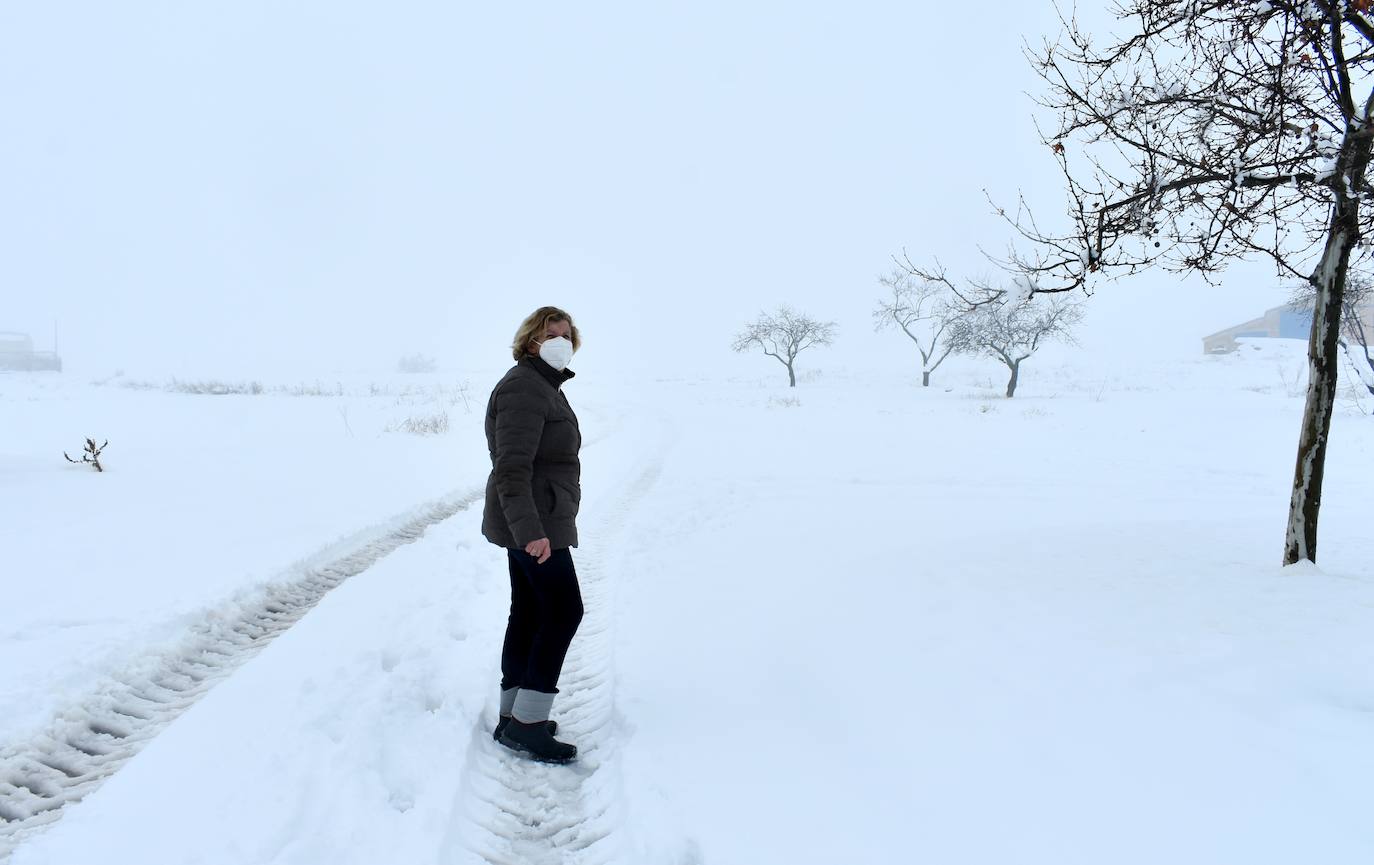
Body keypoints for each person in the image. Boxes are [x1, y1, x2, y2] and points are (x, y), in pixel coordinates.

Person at [481, 306, 584, 764]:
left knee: (528, 611)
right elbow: (511, 468)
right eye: (550, 334)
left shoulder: (543, 384)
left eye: (566, 334)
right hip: (534, 523)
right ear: (530, 341)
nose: (560, 341)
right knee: (564, 611)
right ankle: (527, 725)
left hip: (536, 517)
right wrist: (531, 533)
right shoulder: (525, 386)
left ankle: (514, 715)